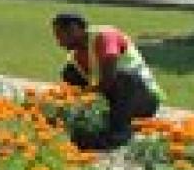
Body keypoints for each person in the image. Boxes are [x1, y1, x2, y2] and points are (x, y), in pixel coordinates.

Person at [52, 12, 166, 149]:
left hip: (143, 99)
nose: (58, 41)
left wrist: (89, 95)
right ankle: (90, 126)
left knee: (123, 77)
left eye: (60, 34)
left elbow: (109, 77)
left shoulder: (105, 36)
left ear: (74, 29)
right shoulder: (76, 57)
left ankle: (119, 133)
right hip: (115, 99)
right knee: (69, 73)